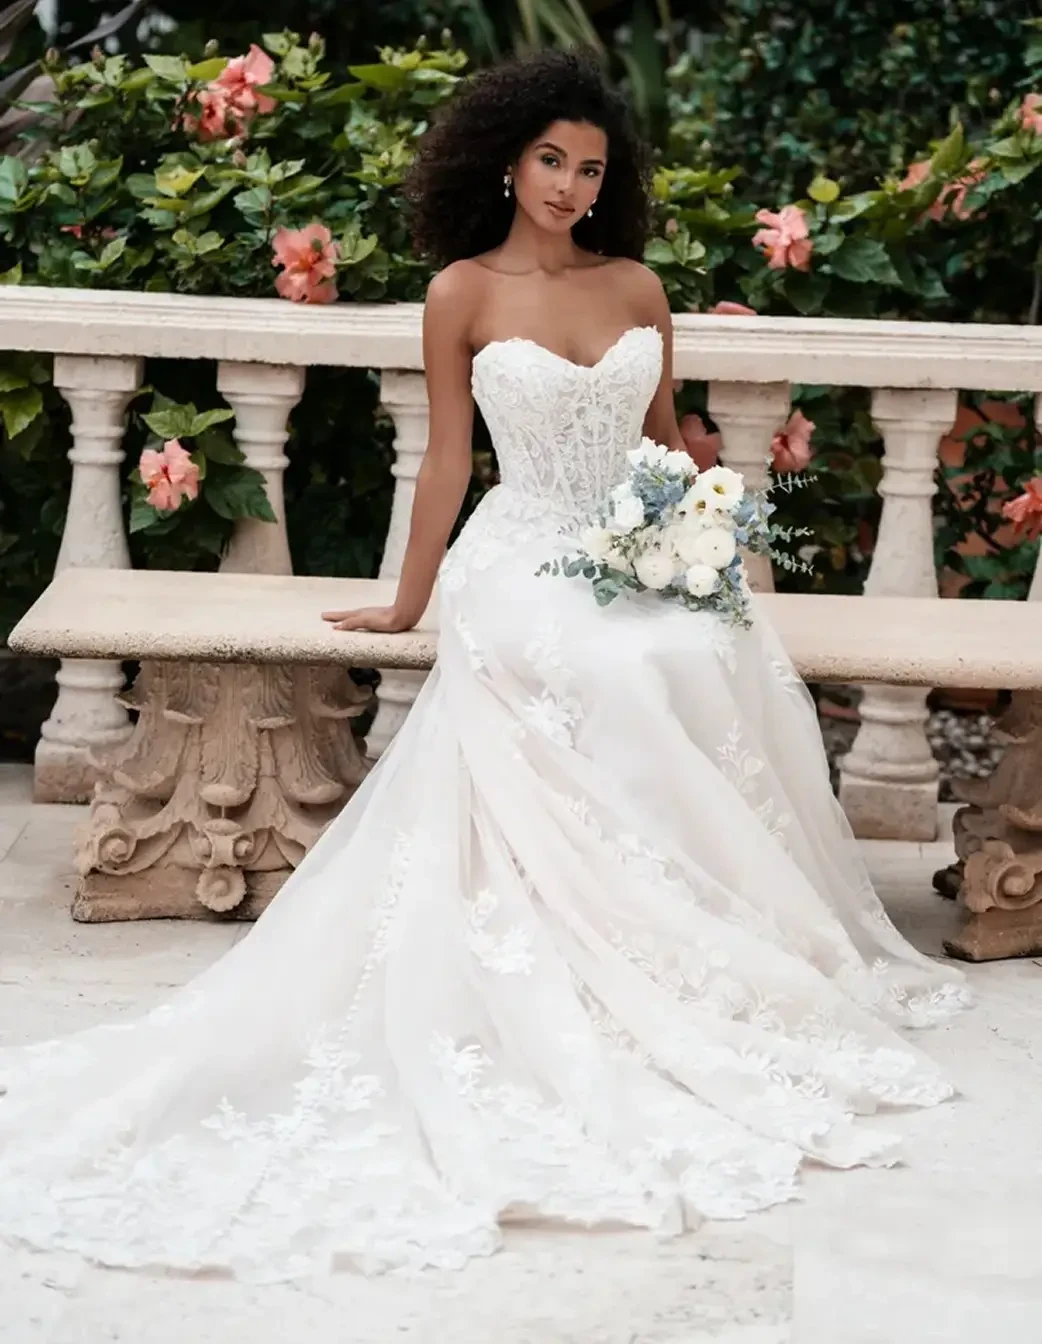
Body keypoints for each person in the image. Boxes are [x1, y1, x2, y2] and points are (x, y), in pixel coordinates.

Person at [0, 48, 968, 1284]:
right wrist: (408, 598)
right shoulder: (460, 290)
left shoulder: (638, 286)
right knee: (597, 668)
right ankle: (587, 921)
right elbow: (450, 464)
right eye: (553, 160)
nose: (571, 185)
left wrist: (694, 544)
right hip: (517, 555)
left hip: (626, 539)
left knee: (694, 646)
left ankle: (684, 920)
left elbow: (662, 440)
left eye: (592, 168)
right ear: (507, 159)